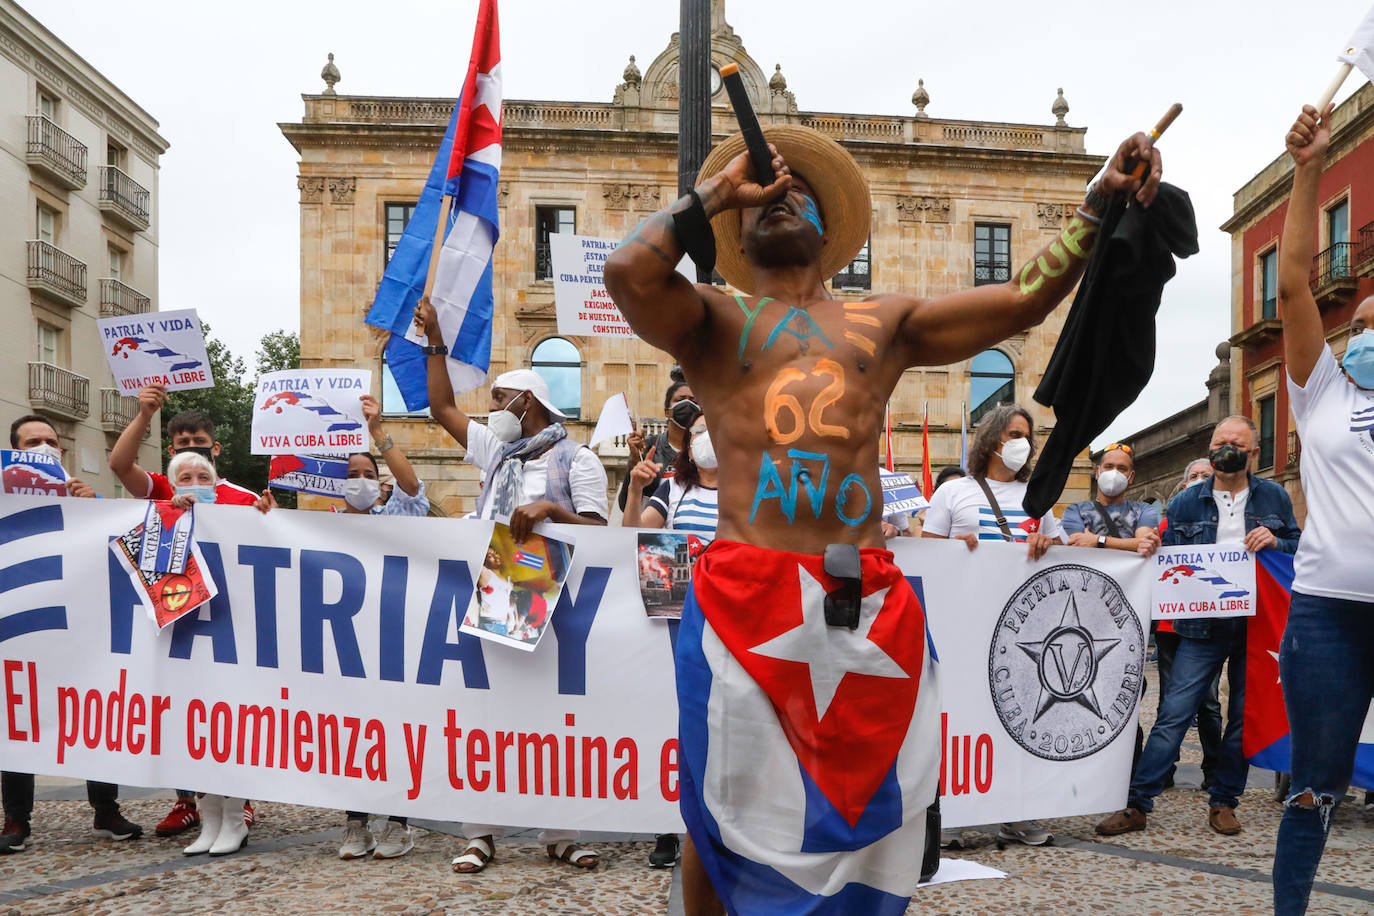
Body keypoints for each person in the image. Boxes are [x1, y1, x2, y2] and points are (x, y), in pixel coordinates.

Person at [604, 118, 1160, 914]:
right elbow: (627, 270)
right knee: (717, 801)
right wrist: (718, 191)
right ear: (736, 231)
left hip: (860, 599)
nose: (778, 198)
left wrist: (1099, 201)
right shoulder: (710, 319)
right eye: (763, 195)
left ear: (830, 230)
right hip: (741, 594)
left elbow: (1023, 299)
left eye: (797, 192)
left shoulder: (885, 321)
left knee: (878, 804)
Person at [414, 301, 607, 874]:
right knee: (487, 716)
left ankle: (562, 833)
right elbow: (440, 407)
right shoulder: (496, 452)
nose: (492, 408)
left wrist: (549, 510)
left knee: (555, 720)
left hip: (554, 599)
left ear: (528, 401)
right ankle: (480, 834)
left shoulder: (579, 459)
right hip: (495, 588)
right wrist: (436, 340)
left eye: (500, 398)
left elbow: (600, 533)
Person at [1097, 416, 1300, 840]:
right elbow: (1168, 558)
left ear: (1253, 452)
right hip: (1200, 623)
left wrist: (1276, 542)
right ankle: (1138, 803)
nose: (1227, 448)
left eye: (1236, 443)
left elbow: (1299, 547)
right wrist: (1152, 547)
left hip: (1256, 624)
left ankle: (1224, 801)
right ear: (1210, 448)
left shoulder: (1275, 497)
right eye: (1220, 441)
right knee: (1174, 713)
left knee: (1242, 716)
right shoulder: (1186, 502)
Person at [1269, 103, 1374, 915]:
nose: (1367, 326)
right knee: (1314, 787)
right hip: (1328, 613)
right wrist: (1308, 169)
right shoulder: (1321, 390)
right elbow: (1295, 279)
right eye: (1362, 321)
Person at [108, 387, 269, 839]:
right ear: (171, 453)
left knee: (230, 710)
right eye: (182, 446)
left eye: (199, 444)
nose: (191, 453)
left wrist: (270, 516)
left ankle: (238, 804)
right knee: (183, 711)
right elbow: (119, 465)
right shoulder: (165, 488)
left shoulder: (240, 497)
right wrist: (144, 414)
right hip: (178, 620)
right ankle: (193, 803)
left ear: (216, 450)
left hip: (229, 621)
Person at [923, 404, 1064, 849]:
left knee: (1022, 718)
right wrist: (952, 548)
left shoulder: (1039, 497)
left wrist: (1047, 541)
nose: (1022, 442)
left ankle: (1017, 813)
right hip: (964, 625)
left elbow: (1061, 556)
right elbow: (927, 554)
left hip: (1025, 632)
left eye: (1027, 435)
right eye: (1014, 434)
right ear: (992, 439)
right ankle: (953, 813)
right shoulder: (953, 493)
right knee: (960, 716)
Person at [0, 416, 142, 852]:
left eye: (50, 441)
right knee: (18, 719)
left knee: (94, 713)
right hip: (22, 628)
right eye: (33, 442)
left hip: (79, 629)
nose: (44, 447)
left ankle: (106, 810)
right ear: (16, 452)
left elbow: (119, 550)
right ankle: (16, 819)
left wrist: (94, 506)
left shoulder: (85, 498)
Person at [623, 413, 720, 870]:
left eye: (713, 426)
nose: (705, 436)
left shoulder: (748, 490)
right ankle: (670, 825)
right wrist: (635, 490)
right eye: (697, 430)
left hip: (729, 618)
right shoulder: (674, 489)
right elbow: (634, 536)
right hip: (678, 620)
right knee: (679, 718)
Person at [336, 395, 427, 860]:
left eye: (368, 473)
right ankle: (356, 824)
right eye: (351, 474)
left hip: (395, 642)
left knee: (397, 730)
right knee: (351, 733)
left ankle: (398, 824)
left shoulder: (395, 516)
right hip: (346, 648)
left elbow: (411, 488)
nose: (360, 480)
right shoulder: (318, 527)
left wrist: (377, 433)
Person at [1154, 458, 1223, 792]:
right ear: (1183, 486)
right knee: (1169, 700)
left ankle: (1214, 772)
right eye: (1193, 475)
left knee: (1209, 703)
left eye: (1205, 475)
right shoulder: (1165, 525)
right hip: (1170, 625)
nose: (1198, 479)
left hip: (1211, 625)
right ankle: (1163, 770)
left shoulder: (1227, 525)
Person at [619, 370, 701, 512]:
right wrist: (635, 461)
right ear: (667, 411)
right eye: (680, 400)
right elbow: (625, 505)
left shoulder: (706, 450)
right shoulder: (649, 447)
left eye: (693, 401)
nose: (687, 404)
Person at [1061, 443, 1161, 556]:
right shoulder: (1075, 510)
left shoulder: (1144, 510)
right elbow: (1077, 544)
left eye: (1122, 468)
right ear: (1097, 472)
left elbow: (1145, 545)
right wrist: (1131, 544)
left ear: (1131, 477)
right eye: (1108, 466)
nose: (1114, 473)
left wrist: (1098, 540)